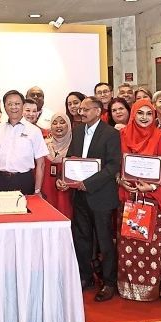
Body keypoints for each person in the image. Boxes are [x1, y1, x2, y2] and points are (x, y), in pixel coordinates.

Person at [56, 96, 122, 302]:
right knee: (82, 238)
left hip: (100, 195)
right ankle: (85, 277)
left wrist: (89, 183)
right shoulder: (76, 132)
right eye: (80, 109)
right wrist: (64, 179)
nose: (80, 112)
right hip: (80, 196)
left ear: (97, 110)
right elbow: (71, 160)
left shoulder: (111, 134)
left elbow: (113, 166)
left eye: (85, 109)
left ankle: (109, 282)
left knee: (104, 241)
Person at [114, 99, 161, 301]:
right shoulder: (121, 135)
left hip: (153, 198)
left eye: (148, 113)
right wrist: (120, 180)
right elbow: (114, 163)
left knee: (153, 245)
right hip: (129, 198)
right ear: (133, 114)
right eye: (140, 113)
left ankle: (153, 288)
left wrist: (153, 186)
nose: (144, 117)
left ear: (154, 116)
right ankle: (129, 287)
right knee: (129, 245)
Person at [0, 90, 47, 195]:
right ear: (4, 107)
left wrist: (37, 190)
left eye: (17, 104)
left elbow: (41, 164)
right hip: (0, 180)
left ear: (23, 106)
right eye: (10, 104)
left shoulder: (34, 130)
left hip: (24, 180)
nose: (13, 107)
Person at [40, 115, 73, 218]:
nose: (58, 126)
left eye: (62, 122)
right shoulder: (43, 146)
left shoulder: (75, 146)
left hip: (67, 191)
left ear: (69, 125)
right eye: (54, 123)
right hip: (46, 188)